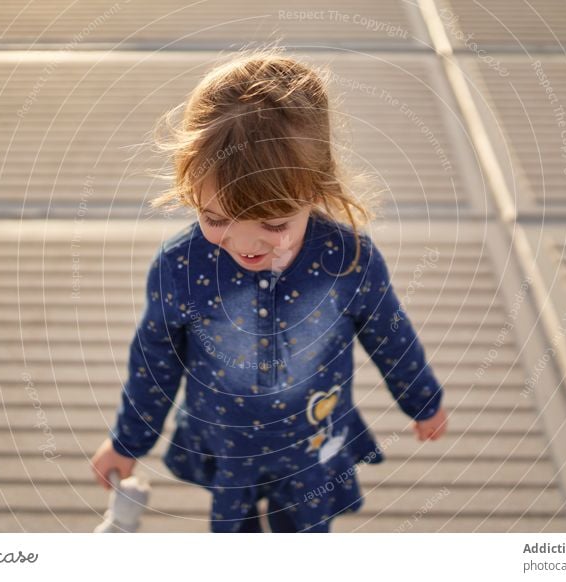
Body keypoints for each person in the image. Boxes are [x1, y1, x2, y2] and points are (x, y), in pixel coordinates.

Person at [91, 47, 448, 533]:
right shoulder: (180, 267)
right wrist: (128, 441)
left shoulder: (346, 260)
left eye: (275, 223)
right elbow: (154, 362)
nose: (244, 242)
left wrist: (422, 399)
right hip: (227, 442)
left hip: (309, 444)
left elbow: (389, 332)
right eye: (215, 218)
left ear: (317, 189)